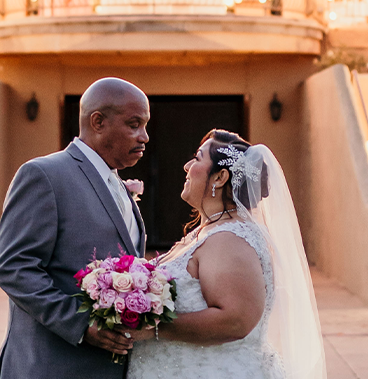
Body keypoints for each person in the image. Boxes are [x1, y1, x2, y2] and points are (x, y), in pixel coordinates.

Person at [128, 130, 326, 379]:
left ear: (220, 177)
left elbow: (236, 319)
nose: (187, 166)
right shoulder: (207, 232)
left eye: (198, 159)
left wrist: (152, 328)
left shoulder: (229, 240)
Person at [0, 78, 149, 377]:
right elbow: (14, 267)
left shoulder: (116, 181)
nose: (144, 136)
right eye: (134, 124)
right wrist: (81, 325)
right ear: (98, 122)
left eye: (144, 125)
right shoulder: (44, 175)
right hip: (53, 366)